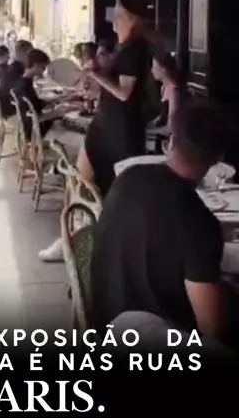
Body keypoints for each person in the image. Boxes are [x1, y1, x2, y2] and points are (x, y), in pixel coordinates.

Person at [91, 99, 234, 344]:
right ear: (216, 160)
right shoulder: (198, 220)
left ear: (170, 142)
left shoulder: (128, 177)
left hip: (103, 323)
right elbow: (212, 329)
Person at [77, 0, 152, 195]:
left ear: (132, 20)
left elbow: (124, 93)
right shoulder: (124, 48)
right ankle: (82, 212)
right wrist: (96, 75)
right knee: (84, 179)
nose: (114, 21)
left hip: (118, 128)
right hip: (105, 122)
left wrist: (95, 74)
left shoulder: (134, 50)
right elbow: (112, 84)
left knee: (115, 187)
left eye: (119, 16)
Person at [14, 48, 69, 140]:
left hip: (27, 126)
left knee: (59, 116)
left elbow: (35, 104)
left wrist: (58, 99)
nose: (43, 71)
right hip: (33, 131)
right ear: (35, 64)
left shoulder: (24, 82)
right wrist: (57, 112)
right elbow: (36, 117)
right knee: (65, 124)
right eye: (43, 67)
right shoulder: (25, 87)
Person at [0, 39, 33, 119]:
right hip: (13, 111)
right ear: (26, 54)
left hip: (6, 108)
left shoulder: (12, 67)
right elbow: (27, 98)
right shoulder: (17, 72)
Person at [151, 48, 184, 130]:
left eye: (155, 68)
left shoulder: (174, 92)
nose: (152, 71)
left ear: (163, 69)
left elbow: (173, 124)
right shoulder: (163, 87)